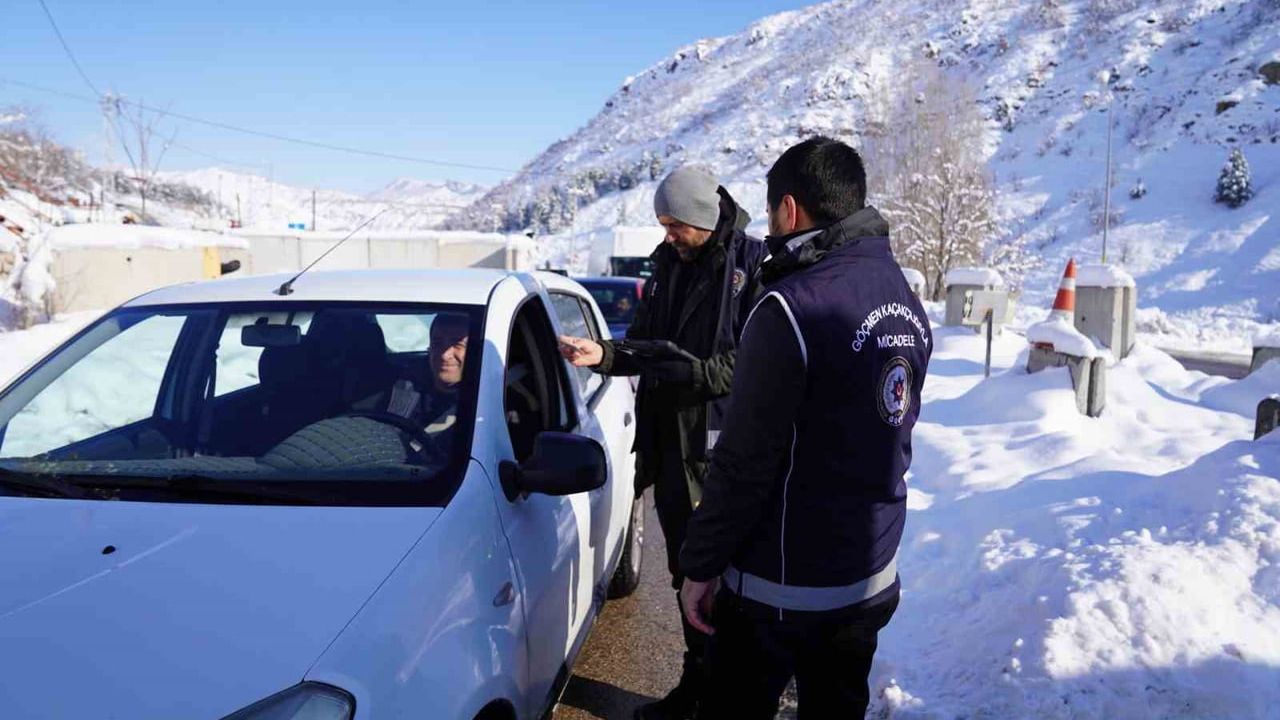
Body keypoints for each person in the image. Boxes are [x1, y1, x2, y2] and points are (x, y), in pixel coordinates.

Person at [677, 137, 932, 719]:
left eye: (771, 214)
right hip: (867, 576)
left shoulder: (791, 308)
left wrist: (700, 565)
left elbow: (743, 459)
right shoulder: (904, 298)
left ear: (788, 211)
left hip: (784, 585)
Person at [560, 165, 766, 720]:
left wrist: (695, 374)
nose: (668, 234)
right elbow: (647, 345)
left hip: (721, 452)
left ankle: (725, 698)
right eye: (663, 225)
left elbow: (759, 359)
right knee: (686, 575)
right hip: (670, 451)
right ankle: (696, 687)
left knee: (727, 582)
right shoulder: (667, 267)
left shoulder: (753, 265)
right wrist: (604, 355)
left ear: (704, 217)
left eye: (675, 224)